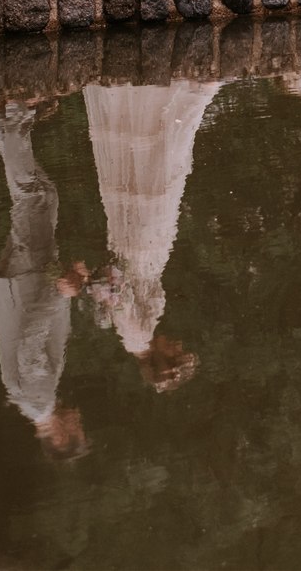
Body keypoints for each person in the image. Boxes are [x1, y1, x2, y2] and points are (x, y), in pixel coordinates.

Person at [82, 78, 219, 392]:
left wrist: (116, 276)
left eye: (176, 352)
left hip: (140, 247)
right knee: (158, 170)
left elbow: (118, 293)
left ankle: (194, 93)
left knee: (158, 172)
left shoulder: (137, 336)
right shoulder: (141, 335)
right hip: (142, 250)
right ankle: (184, 96)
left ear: (162, 358)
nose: (177, 344)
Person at [0, 100, 90, 461]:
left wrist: (61, 292)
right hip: (23, 280)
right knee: (43, 196)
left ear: (59, 436)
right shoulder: (29, 402)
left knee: (32, 196)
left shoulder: (39, 398)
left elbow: (31, 340)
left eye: (77, 428)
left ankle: (18, 109)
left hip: (29, 279)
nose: (79, 419)